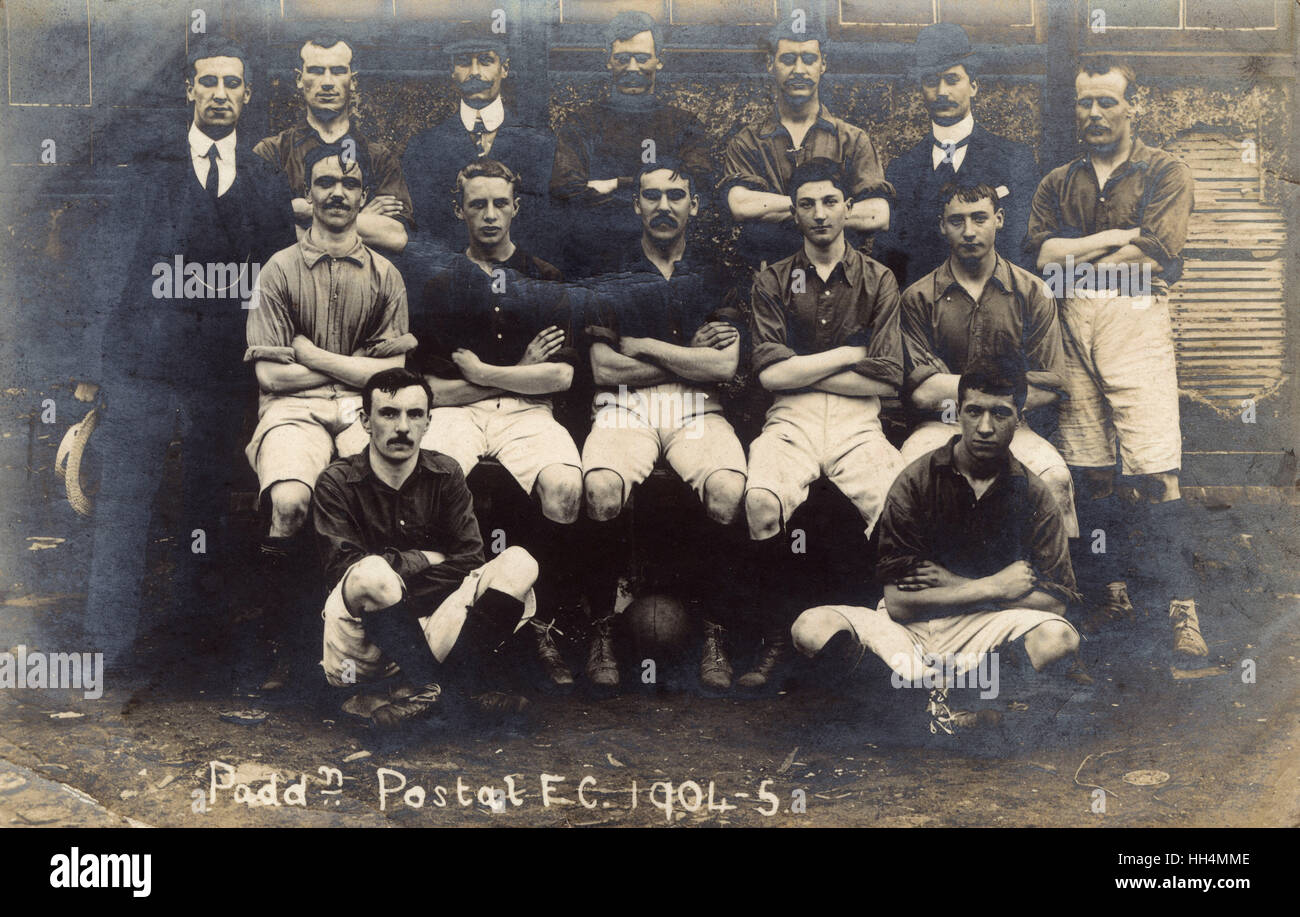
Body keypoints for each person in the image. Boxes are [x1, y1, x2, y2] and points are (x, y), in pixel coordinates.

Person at [84, 38, 295, 668]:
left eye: (233, 84)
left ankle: (194, 648)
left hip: (223, 376)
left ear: (248, 95)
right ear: (190, 90)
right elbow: (106, 271)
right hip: (143, 371)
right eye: (210, 83)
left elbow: (276, 279)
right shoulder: (151, 168)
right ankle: (106, 648)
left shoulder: (264, 181)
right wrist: (91, 377)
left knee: (209, 509)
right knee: (125, 503)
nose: (221, 95)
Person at [1025, 59, 1205, 657]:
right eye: (1085, 103)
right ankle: (1112, 594)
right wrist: (1111, 240)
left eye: (1107, 102)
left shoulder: (1164, 170)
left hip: (1136, 320)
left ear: (1134, 104)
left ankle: (1181, 609)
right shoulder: (1057, 180)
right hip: (1070, 324)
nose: (1095, 114)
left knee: (1155, 470)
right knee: (1092, 470)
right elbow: (1041, 257)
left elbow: (1155, 256)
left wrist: (1080, 257)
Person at [791, 367, 1085, 733]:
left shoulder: (1033, 492)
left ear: (1019, 417)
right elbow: (898, 603)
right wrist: (991, 587)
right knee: (811, 628)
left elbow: (1056, 602)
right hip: (911, 629)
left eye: (1001, 413)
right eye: (974, 411)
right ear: (957, 412)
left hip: (983, 629)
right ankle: (930, 703)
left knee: (1058, 637)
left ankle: (936, 703)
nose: (986, 427)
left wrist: (948, 585)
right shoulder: (916, 480)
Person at [243, 143, 416, 685]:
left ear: (364, 196)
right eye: (324, 184)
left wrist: (313, 357)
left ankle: (370, 652)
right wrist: (355, 366)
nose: (337, 193)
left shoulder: (386, 274)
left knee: (380, 507)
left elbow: (393, 379)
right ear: (309, 195)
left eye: (348, 185)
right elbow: (271, 377)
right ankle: (282, 643)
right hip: (292, 408)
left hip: (364, 412)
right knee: (291, 503)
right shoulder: (278, 269)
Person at [409, 158, 582, 687]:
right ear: (459, 209)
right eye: (477, 204)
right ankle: (441, 616)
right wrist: (516, 372)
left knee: (566, 488)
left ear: (517, 206)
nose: (489, 215)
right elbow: (433, 390)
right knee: (430, 482)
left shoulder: (546, 279)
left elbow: (560, 379)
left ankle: (541, 621)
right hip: (457, 412)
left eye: (499, 203)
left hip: (529, 414)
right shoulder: (438, 285)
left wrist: (489, 372)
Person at [579, 161, 748, 690]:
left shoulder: (717, 272)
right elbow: (604, 369)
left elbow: (722, 367)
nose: (663, 206)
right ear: (636, 206)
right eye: (651, 196)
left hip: (697, 407)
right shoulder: (612, 271)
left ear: (694, 205)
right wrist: (684, 354)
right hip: (625, 405)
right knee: (602, 492)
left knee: (727, 492)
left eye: (676, 195)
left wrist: (647, 346)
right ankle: (601, 629)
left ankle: (716, 632)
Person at [741, 158, 905, 688]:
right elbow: (768, 375)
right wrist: (849, 353)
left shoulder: (879, 278)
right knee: (762, 503)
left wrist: (803, 369)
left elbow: (886, 380)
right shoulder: (771, 278)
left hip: (860, 421)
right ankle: (774, 638)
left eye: (830, 202)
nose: (819, 214)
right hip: (792, 418)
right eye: (807, 204)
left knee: (898, 504)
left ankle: (892, 637)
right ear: (793, 212)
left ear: (849, 208)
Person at [313, 368, 541, 729]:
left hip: (432, 631)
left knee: (520, 563)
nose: (402, 427)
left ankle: (438, 692)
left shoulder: (445, 472)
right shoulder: (337, 481)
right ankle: (447, 696)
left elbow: (470, 559)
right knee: (372, 572)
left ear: (428, 422)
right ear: (365, 421)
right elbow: (343, 569)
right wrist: (423, 559)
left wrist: (406, 594)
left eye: (414, 414)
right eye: (389, 413)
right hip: (363, 641)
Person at [898, 182, 1077, 536]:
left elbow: (1054, 383)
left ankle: (1054, 587)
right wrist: (1009, 386)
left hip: (1013, 426)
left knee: (1056, 482)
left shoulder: (1033, 292)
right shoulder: (917, 297)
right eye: (956, 221)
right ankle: (918, 585)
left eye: (979, 218)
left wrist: (984, 404)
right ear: (941, 225)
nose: (968, 231)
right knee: (906, 481)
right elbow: (920, 394)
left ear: (999, 219)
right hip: (940, 426)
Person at [549, 10, 713, 275]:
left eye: (642, 58)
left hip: (668, 262)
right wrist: (648, 190)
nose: (633, 68)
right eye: (623, 59)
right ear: (608, 62)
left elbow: (698, 185)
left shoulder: (685, 124)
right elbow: (565, 191)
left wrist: (612, 185)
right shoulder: (581, 123)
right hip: (594, 262)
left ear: (659, 60)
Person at [721, 16, 891, 269]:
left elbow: (878, 214)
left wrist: (782, 209)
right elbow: (740, 205)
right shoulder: (749, 142)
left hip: (840, 276)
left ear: (823, 64)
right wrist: (826, 209)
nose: (799, 70)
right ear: (770, 63)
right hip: (770, 273)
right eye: (788, 59)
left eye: (809, 59)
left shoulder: (852, 139)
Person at [877, 23, 1039, 289]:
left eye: (952, 80)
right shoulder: (902, 169)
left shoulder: (1013, 158)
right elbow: (893, 259)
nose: (942, 92)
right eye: (931, 81)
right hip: (924, 314)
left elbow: (1022, 249)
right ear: (921, 89)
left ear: (973, 85)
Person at [401, 30, 556, 259]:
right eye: (464, 62)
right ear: (451, 71)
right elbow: (426, 225)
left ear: (504, 68)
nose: (474, 72)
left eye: (485, 61)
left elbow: (542, 223)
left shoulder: (539, 143)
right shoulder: (423, 147)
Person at [255, 36, 412, 254]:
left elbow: (394, 236)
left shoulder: (379, 157)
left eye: (337, 71)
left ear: (353, 80)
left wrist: (303, 210)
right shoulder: (271, 152)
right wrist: (360, 217)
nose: (327, 82)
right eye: (317, 71)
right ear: (300, 79)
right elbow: (261, 230)